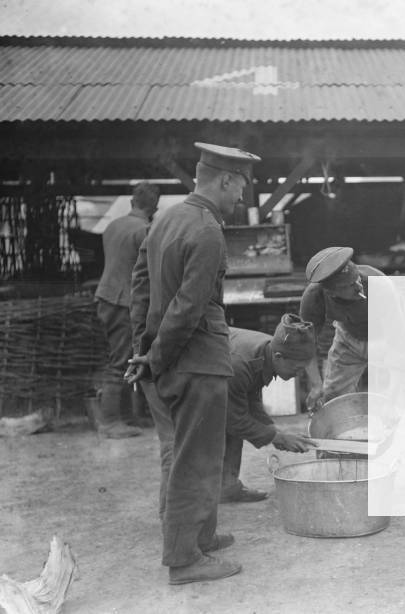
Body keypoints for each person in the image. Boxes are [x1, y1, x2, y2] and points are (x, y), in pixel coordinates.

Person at [127, 142, 260, 585]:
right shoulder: (207, 230)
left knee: (194, 452)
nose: (241, 197)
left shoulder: (165, 219)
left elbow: (141, 283)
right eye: (240, 186)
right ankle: (184, 559)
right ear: (224, 179)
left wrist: (143, 348)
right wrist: (157, 357)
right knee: (196, 460)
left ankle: (201, 536)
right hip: (198, 361)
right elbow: (188, 306)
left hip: (174, 359)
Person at [300, 246, 405, 463]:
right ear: (331, 292)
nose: (358, 286)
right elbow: (305, 343)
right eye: (349, 286)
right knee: (332, 400)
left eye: (357, 280)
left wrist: (389, 401)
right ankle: (334, 464)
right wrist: (316, 384)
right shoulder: (314, 297)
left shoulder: (379, 285)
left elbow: (398, 346)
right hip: (349, 337)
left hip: (393, 336)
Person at [220, 318, 318, 503]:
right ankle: (189, 510)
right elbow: (234, 419)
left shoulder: (270, 350)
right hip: (176, 379)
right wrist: (277, 437)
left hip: (218, 377)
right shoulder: (240, 365)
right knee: (205, 435)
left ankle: (226, 488)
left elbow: (251, 398)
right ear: (279, 357)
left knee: (233, 422)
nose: (298, 374)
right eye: (297, 368)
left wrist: (274, 431)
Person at [93, 182, 159, 438]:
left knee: (127, 356)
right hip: (124, 302)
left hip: (106, 297)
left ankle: (130, 416)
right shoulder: (145, 231)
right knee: (122, 359)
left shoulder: (112, 226)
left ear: (132, 202)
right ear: (154, 207)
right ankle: (110, 422)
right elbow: (149, 273)